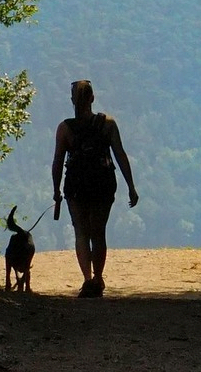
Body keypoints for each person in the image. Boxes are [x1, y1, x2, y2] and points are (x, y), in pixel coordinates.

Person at [51, 80, 139, 297]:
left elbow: (57, 162)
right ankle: (99, 278)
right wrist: (131, 186)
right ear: (92, 98)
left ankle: (87, 279)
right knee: (98, 233)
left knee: (81, 232)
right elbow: (120, 155)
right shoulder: (107, 123)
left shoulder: (65, 129)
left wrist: (56, 191)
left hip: (76, 185)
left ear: (72, 100)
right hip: (103, 183)